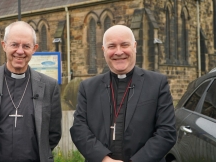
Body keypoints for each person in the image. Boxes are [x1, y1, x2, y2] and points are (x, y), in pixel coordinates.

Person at [70, 25, 176, 162]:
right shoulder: (88, 87)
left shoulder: (157, 83)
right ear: (104, 50)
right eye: (112, 46)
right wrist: (104, 159)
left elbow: (166, 132)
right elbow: (79, 129)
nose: (119, 52)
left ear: (135, 46)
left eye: (124, 45)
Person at [0, 21, 62, 162]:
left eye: (26, 46)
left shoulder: (49, 86)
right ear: (4, 45)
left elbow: (54, 133)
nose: (20, 51)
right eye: (14, 44)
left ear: (34, 48)